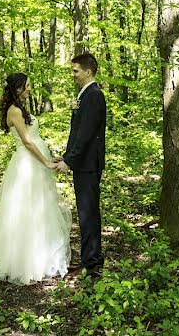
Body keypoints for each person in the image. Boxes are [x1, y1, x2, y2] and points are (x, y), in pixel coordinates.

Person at [0, 73, 71, 284]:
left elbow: (34, 138)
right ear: (18, 88)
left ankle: (41, 258)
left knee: (40, 209)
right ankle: (23, 263)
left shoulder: (22, 109)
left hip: (35, 161)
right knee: (25, 211)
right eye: (27, 86)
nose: (29, 89)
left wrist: (49, 157)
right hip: (26, 166)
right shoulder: (14, 111)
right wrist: (45, 163)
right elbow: (27, 142)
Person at [55, 53, 106, 277]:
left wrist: (70, 161)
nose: (73, 75)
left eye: (76, 71)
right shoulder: (85, 95)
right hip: (82, 163)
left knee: (88, 213)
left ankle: (92, 264)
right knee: (86, 212)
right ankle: (90, 260)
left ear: (88, 71)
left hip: (87, 164)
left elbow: (86, 134)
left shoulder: (94, 95)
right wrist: (66, 156)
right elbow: (78, 132)